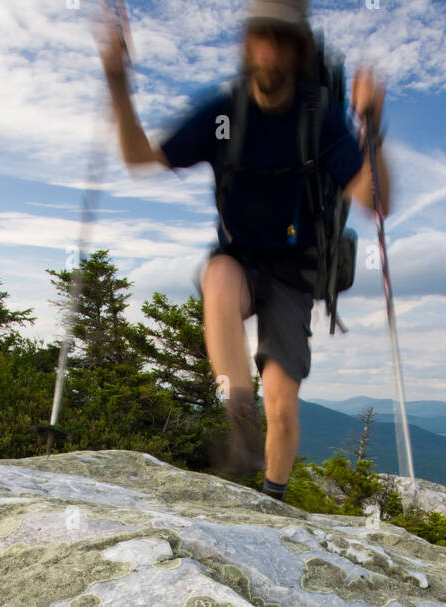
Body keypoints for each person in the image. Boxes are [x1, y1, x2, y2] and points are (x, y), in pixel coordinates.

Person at [97, 0, 390, 502]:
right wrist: (119, 85)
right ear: (247, 43)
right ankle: (239, 418)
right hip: (240, 260)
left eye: (283, 41)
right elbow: (139, 156)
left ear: (299, 52)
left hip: (296, 273)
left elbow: (373, 198)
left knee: (284, 407)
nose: (271, 51)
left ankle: (271, 497)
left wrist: (372, 129)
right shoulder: (224, 114)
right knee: (218, 279)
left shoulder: (317, 117)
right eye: (262, 37)